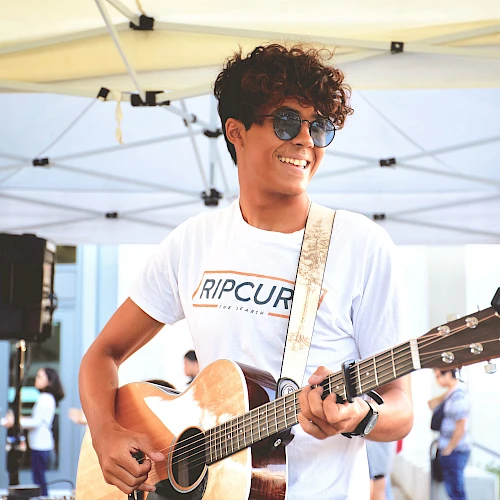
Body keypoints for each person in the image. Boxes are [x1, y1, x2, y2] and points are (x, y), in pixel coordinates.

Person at [79, 43, 414, 499]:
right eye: (286, 123)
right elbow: (102, 355)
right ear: (236, 131)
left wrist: (360, 415)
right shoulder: (192, 242)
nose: (305, 142)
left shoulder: (361, 245)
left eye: (318, 128)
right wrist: (106, 434)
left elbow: (401, 406)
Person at [2, 367, 65, 497]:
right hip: (39, 444)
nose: (36, 379)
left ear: (50, 381)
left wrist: (17, 422)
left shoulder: (46, 398)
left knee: (39, 478)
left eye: (40, 377)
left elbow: (37, 422)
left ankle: (43, 497)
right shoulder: (45, 398)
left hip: (41, 444)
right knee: (38, 477)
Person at [428, 369, 471, 500]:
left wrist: (449, 449)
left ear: (447, 374)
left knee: (456, 490)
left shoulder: (458, 396)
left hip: (455, 451)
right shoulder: (451, 394)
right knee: (452, 489)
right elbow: (431, 404)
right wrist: (448, 392)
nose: (437, 380)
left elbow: (461, 426)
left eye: (438, 376)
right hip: (450, 450)